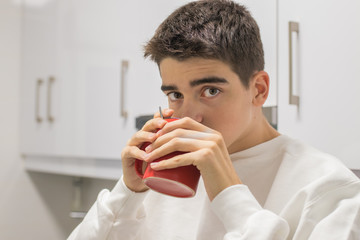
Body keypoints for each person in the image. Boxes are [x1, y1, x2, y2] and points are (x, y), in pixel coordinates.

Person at [68, 0, 360, 239]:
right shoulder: (161, 174)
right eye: (175, 94)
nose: (188, 116)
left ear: (258, 90)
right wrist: (128, 192)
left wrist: (229, 193)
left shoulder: (328, 188)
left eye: (210, 90)